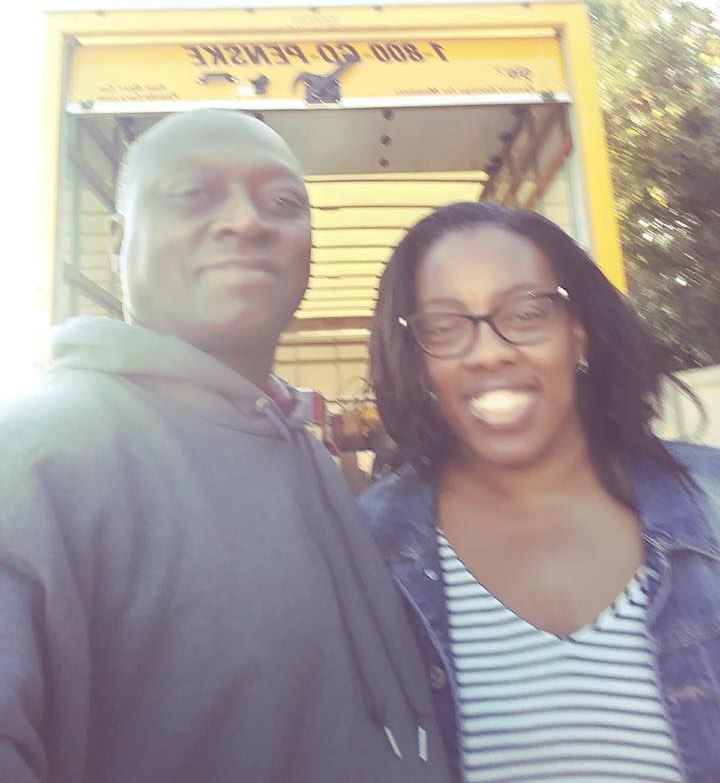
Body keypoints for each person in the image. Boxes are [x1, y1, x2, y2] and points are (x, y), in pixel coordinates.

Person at [0, 110, 452, 783]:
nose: (247, 221)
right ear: (118, 240)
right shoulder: (35, 459)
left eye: (283, 203)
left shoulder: (298, 447)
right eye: (193, 194)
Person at [360, 200, 720, 783]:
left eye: (527, 313)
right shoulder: (368, 549)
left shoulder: (711, 498)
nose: (488, 352)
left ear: (579, 335)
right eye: (445, 326)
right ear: (419, 362)